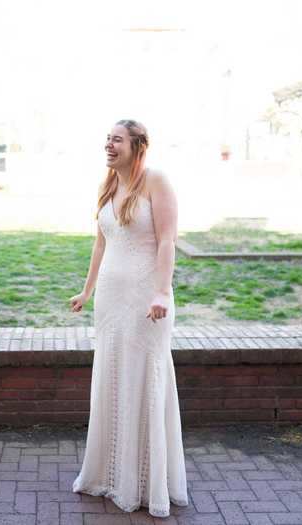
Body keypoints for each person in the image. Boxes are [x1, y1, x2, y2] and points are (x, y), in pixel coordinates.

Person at [70, 120, 188, 518]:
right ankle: (108, 474)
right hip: (111, 299)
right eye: (107, 138)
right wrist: (86, 291)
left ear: (138, 146)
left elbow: (168, 239)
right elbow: (101, 243)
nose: (108, 144)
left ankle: (144, 482)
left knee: (143, 378)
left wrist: (161, 291)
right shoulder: (108, 186)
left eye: (116, 139)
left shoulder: (156, 180)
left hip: (145, 299)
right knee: (113, 377)